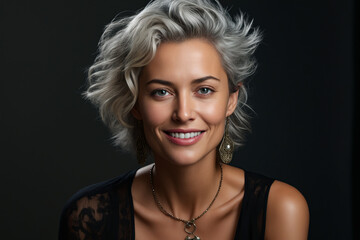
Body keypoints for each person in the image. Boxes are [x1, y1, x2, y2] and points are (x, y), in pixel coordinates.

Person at [58, 0, 309, 239]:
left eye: (204, 90)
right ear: (135, 104)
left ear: (231, 100)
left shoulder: (281, 209)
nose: (183, 113)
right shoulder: (88, 217)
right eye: (161, 92)